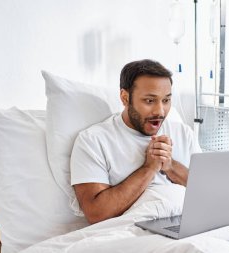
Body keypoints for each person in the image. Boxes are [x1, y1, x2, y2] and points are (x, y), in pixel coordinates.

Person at [70, 59, 201, 224]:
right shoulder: (93, 141)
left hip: (188, 224)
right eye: (149, 101)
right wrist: (149, 168)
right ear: (125, 98)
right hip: (131, 231)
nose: (160, 111)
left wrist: (170, 166)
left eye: (166, 100)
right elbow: (96, 214)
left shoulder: (184, 133)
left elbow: (205, 192)